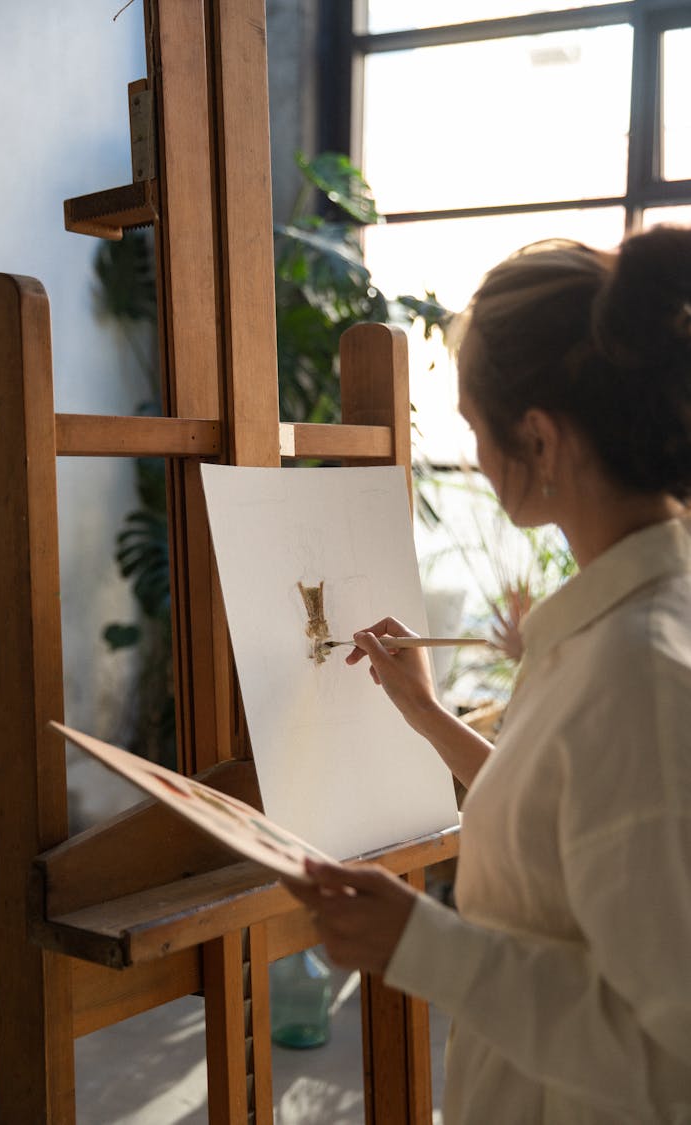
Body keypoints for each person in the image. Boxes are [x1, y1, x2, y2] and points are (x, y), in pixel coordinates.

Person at [285, 226, 691, 1124]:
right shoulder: (616, 627)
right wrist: (428, 718)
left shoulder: (642, 671)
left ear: (539, 438)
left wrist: (426, 944)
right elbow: (564, 823)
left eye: (473, 428)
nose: (471, 455)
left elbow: (675, 1061)